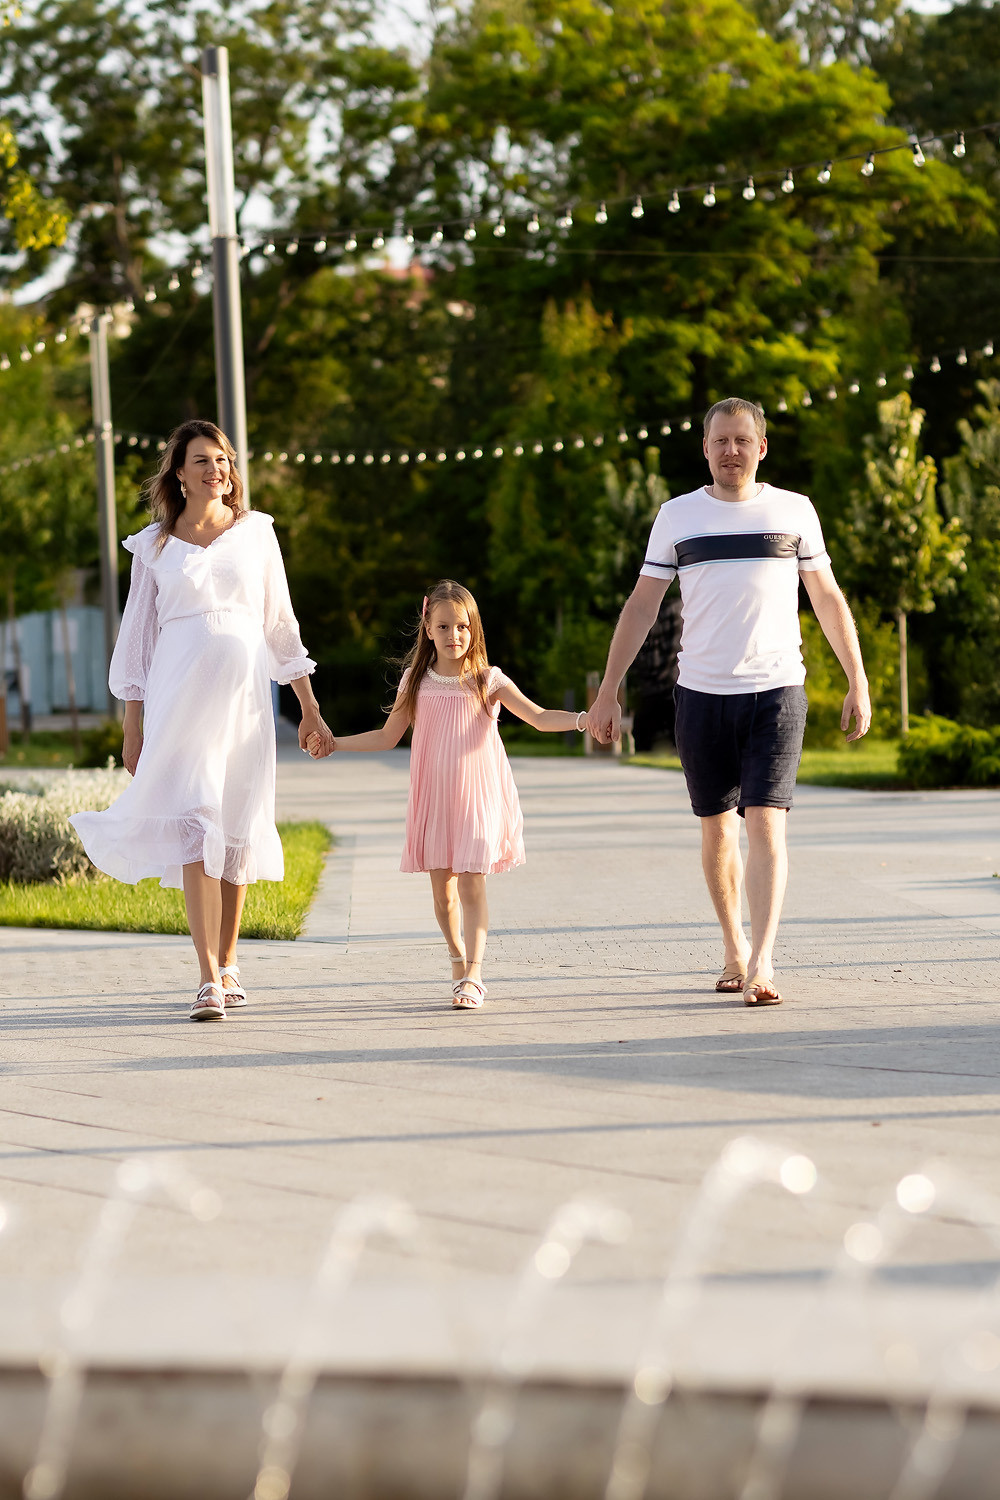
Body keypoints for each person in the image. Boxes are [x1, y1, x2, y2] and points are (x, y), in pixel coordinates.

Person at [588, 397, 871, 1008]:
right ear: (706, 448)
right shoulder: (677, 516)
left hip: (776, 691)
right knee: (717, 828)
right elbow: (642, 605)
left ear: (761, 447)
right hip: (701, 694)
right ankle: (733, 948)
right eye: (720, 441)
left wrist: (858, 677)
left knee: (767, 823)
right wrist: (609, 688)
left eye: (742, 440)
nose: (731, 452)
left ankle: (764, 961)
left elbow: (825, 595)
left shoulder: (793, 512)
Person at [70, 419, 333, 1021]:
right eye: (201, 461)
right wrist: (132, 722)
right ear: (179, 475)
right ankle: (207, 977)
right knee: (194, 824)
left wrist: (309, 708)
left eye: (222, 460)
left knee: (234, 828)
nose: (215, 470)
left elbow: (280, 626)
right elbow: (136, 639)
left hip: (244, 705)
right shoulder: (153, 547)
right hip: (177, 699)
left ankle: (231, 958)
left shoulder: (257, 534)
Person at [309, 579, 586, 1009]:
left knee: (473, 885)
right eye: (444, 626)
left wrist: (585, 720)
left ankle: (474, 975)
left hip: (477, 800)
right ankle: (457, 956)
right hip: (435, 800)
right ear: (427, 626)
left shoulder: (487, 680)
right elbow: (387, 737)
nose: (454, 635)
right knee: (443, 895)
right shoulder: (414, 681)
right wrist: (335, 743)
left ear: (472, 629)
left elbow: (538, 717)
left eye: (462, 626)